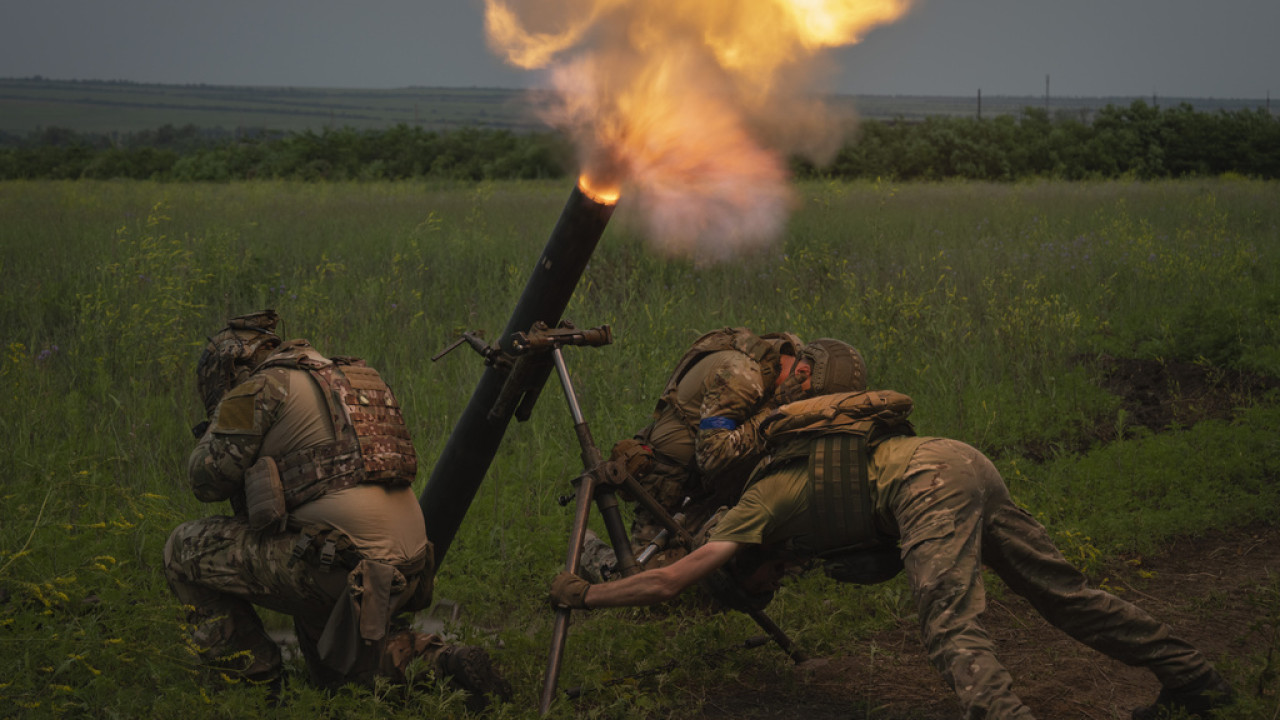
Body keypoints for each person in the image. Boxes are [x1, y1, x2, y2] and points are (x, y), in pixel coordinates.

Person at [551, 365, 1234, 719]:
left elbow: (672, 579)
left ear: (751, 563)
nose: (770, 589)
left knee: (951, 630)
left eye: (756, 586)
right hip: (958, 460)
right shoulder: (781, 502)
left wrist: (587, 593)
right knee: (1066, 596)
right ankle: (1197, 680)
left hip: (928, 485)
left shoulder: (753, 510)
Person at [164, 310, 511, 709]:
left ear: (230, 369)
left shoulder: (260, 386)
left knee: (182, 549)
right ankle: (443, 664)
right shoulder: (351, 377)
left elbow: (205, 480)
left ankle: (251, 686)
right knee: (338, 672)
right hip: (407, 566)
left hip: (339, 566)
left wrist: (216, 421)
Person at [584, 329, 867, 579]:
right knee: (643, 581)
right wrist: (777, 412)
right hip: (676, 480)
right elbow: (713, 456)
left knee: (743, 570)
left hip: (722, 480)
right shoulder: (743, 376)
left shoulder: (792, 363)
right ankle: (588, 548)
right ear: (803, 373)